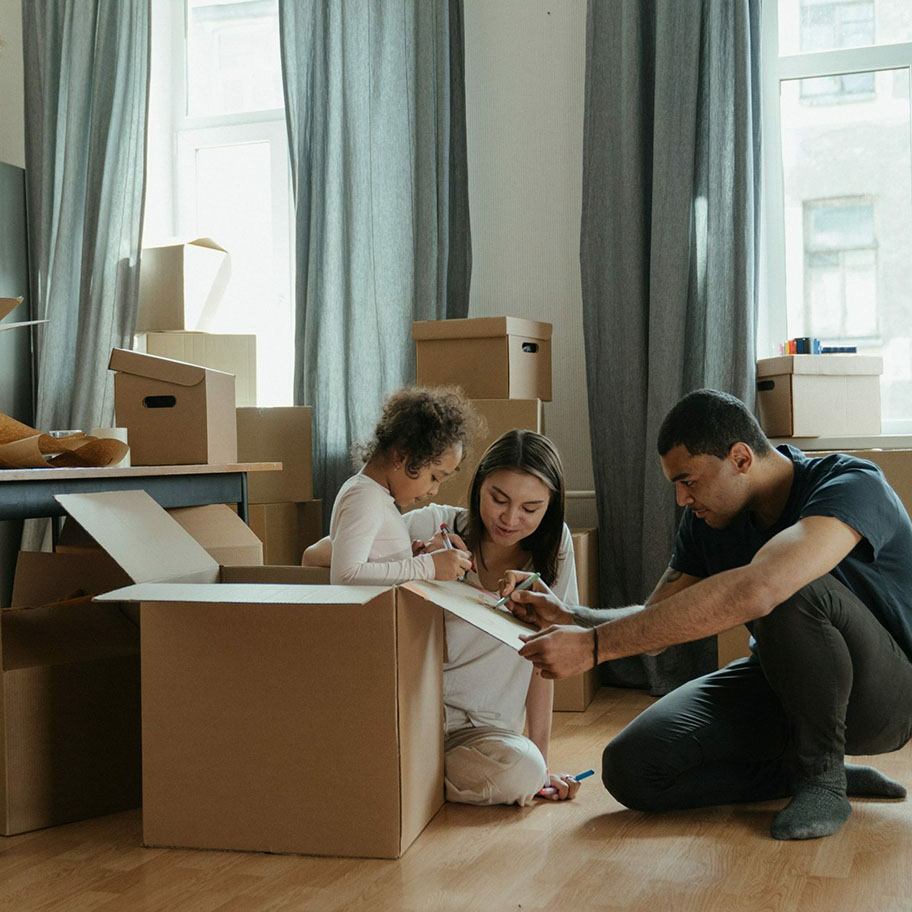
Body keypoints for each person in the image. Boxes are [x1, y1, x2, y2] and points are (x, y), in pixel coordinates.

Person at [502, 389, 912, 840]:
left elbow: (764, 587)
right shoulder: (707, 521)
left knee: (789, 585)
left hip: (888, 699)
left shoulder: (851, 483)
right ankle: (801, 771)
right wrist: (571, 617)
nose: (681, 499)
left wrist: (595, 648)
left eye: (689, 481)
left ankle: (822, 779)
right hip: (783, 684)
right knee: (633, 768)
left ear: (740, 458)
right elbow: (656, 622)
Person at [305, 429, 583, 806]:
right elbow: (315, 556)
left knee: (525, 771)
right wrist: (417, 561)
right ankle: (405, 777)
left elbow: (544, 660)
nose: (510, 518)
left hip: (483, 734)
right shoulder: (434, 524)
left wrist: (543, 761)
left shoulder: (556, 550)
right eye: (498, 499)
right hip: (412, 717)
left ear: (550, 507)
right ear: (478, 486)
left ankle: (402, 780)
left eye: (530, 509)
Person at [328, 386, 477, 585]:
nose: (434, 491)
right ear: (400, 455)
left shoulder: (376, 496)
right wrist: (428, 566)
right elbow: (345, 576)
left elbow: (374, 567)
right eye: (434, 477)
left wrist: (410, 560)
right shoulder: (364, 497)